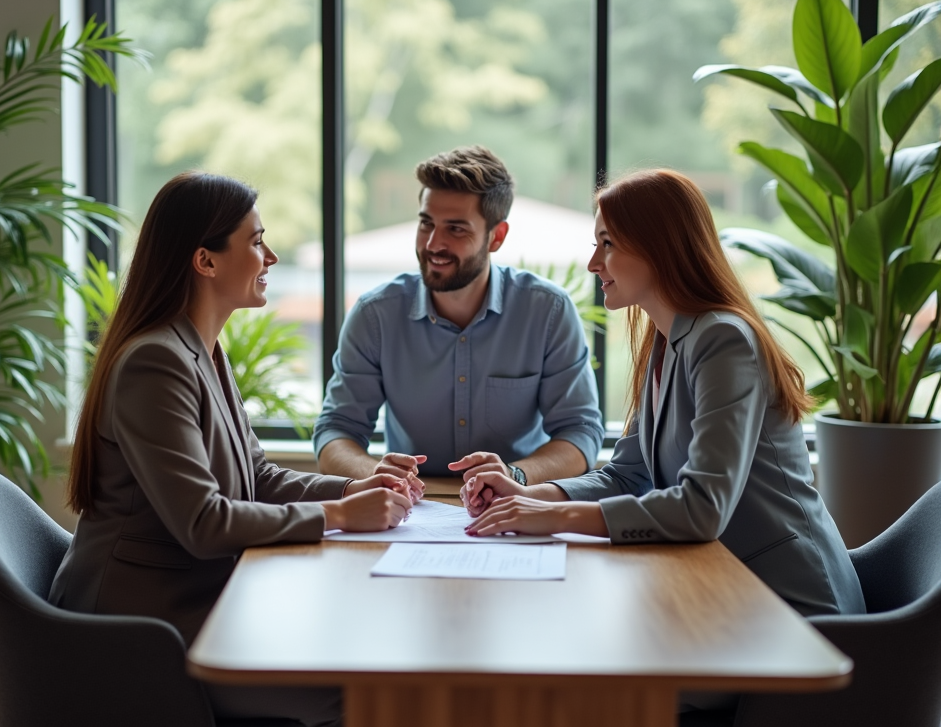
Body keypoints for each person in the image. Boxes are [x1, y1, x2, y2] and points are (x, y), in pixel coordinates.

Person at [50, 172, 412, 727]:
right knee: (354, 694)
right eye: (255, 241)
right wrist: (340, 514)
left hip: (196, 596)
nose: (269, 256)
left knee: (359, 656)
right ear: (206, 260)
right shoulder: (156, 362)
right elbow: (203, 521)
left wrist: (356, 487)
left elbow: (257, 475)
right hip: (141, 627)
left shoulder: (201, 350)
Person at [461, 169, 864, 621]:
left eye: (607, 243)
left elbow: (702, 507)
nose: (594, 263)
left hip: (796, 607)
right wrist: (530, 494)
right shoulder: (666, 340)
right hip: (725, 586)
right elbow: (627, 475)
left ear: (659, 247)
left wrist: (554, 519)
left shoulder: (723, 341)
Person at [313, 145, 604, 492]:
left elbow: (580, 430)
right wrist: (375, 473)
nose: (434, 243)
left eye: (456, 229)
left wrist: (515, 475)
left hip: (517, 504)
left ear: (496, 237)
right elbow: (336, 429)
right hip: (411, 511)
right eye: (426, 224)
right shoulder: (375, 315)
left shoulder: (548, 311)